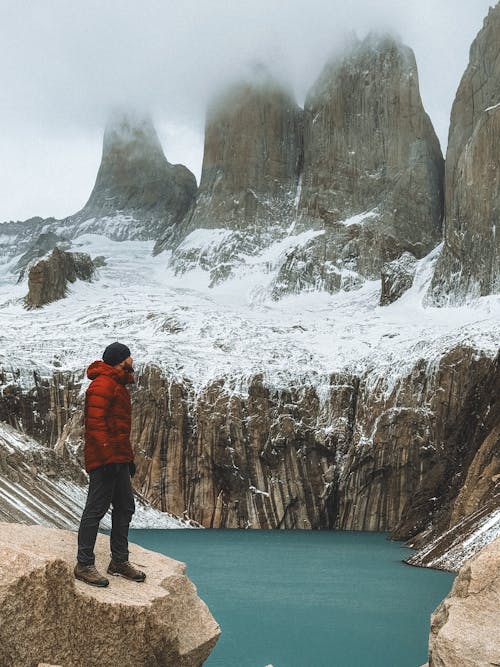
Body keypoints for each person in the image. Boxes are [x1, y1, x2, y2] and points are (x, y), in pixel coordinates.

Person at [74, 342, 146, 587]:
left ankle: (119, 561)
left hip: (118, 459)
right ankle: (83, 564)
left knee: (125, 507)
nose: (132, 360)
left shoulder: (116, 384)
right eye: (129, 357)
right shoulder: (103, 384)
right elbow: (96, 425)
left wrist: (127, 459)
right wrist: (107, 458)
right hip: (105, 460)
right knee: (95, 510)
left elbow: (118, 430)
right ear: (120, 360)